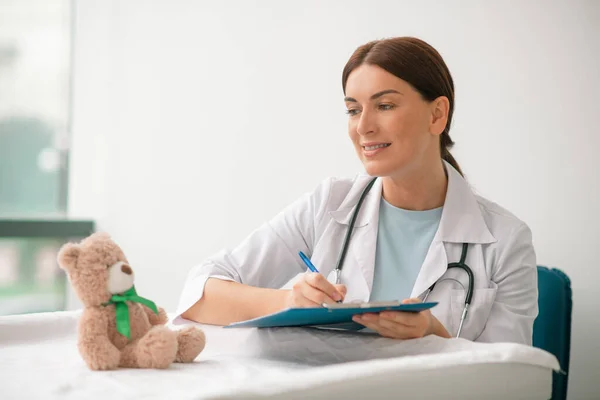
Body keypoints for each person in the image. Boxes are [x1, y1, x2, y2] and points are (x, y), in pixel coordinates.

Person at [176, 37, 538, 345]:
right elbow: (199, 294)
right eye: (353, 109)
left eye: (385, 105)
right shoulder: (331, 204)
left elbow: (517, 380)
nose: (363, 127)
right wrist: (286, 301)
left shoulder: (505, 241)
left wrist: (434, 334)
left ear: (437, 115)